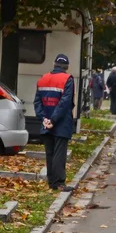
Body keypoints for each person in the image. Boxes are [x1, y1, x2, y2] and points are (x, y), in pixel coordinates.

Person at [33, 54, 76, 192]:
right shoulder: (67, 79)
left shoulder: (43, 79)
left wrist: (43, 119)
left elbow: (37, 101)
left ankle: (51, 182)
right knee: (59, 153)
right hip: (61, 123)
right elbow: (65, 103)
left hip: (46, 122)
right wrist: (53, 120)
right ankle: (59, 183)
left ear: (54, 64)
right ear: (67, 67)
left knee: (49, 152)